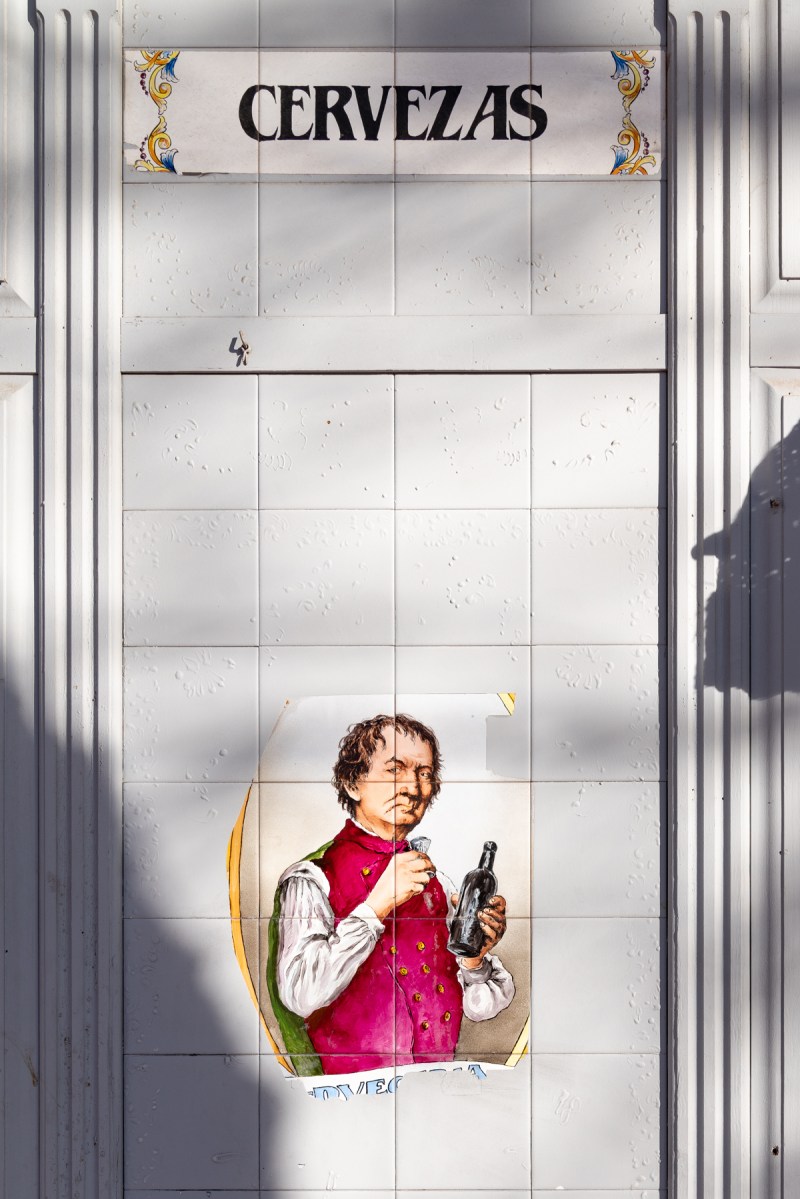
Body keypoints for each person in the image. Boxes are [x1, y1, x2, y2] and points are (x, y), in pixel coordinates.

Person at [267, 713, 514, 1076]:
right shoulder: (312, 879)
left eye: (425, 774)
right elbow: (301, 996)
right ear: (353, 783)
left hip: (434, 1090)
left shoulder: (439, 885)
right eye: (395, 770)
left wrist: (474, 959)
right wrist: (376, 906)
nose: (413, 788)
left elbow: (481, 1009)